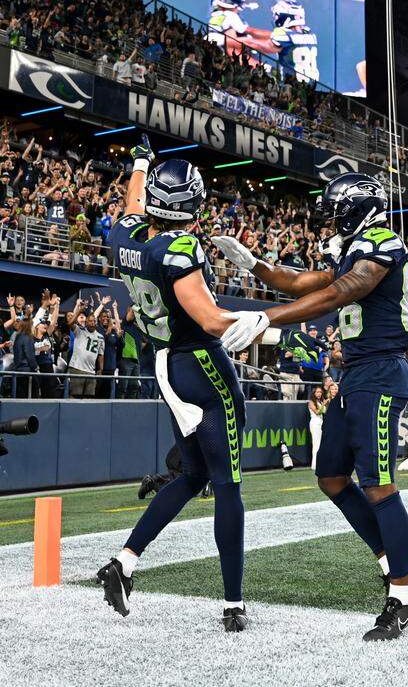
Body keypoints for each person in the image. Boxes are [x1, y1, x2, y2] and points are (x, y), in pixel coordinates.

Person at [212, 171, 408, 641]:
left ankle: (404, 596)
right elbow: (305, 282)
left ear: (358, 207)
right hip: (354, 374)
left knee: (379, 485)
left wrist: (265, 317)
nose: (329, 217)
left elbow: (337, 294)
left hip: (381, 373)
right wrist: (257, 267)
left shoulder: (384, 241)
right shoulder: (352, 246)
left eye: (336, 208)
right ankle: (394, 561)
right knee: (330, 475)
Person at [97, 137, 252, 632]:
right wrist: (255, 321)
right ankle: (232, 603)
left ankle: (124, 563)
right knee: (228, 485)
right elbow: (207, 318)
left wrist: (140, 162)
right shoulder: (181, 248)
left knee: (190, 476)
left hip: (163, 363)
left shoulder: (125, 234)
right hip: (200, 365)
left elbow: (130, 204)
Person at [308, 386, 328, 468]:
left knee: (321, 444)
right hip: (315, 423)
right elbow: (317, 412)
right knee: (316, 444)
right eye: (317, 392)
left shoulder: (320, 401)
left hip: (321, 422)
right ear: (314, 393)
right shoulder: (311, 402)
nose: (319, 394)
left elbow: (325, 412)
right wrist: (324, 404)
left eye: (320, 392)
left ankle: (321, 463)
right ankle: (315, 465)